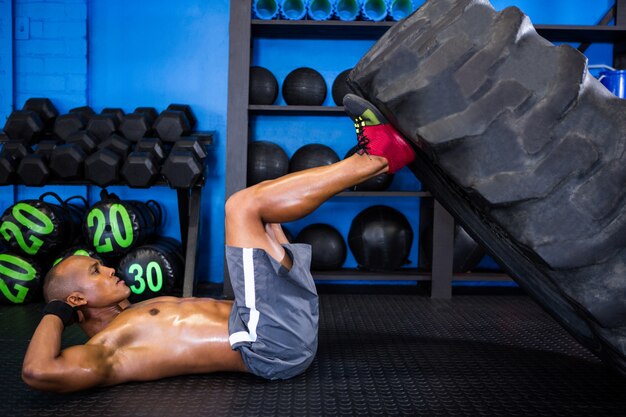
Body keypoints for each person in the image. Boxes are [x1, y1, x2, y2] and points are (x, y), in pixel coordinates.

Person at [21, 94, 416, 393]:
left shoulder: (136, 311)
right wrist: (55, 310)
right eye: (95, 272)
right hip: (268, 345)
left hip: (284, 320)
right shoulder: (108, 349)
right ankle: (376, 158)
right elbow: (38, 370)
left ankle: (381, 153)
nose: (109, 267)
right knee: (240, 206)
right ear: (76, 300)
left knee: (264, 205)